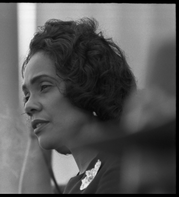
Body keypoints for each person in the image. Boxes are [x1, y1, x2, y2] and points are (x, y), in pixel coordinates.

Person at [18, 17, 137, 194]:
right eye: (27, 96)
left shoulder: (120, 170)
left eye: (44, 87)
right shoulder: (76, 185)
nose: (28, 106)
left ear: (87, 84)